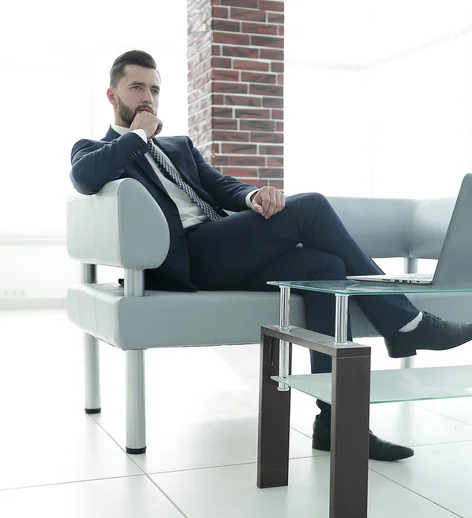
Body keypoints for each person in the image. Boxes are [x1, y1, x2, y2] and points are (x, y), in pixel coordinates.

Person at [70, 50, 472, 462]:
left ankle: (338, 424)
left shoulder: (178, 146)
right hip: (186, 261)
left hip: (221, 247)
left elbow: (220, 185)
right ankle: (406, 322)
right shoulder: (94, 149)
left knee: (325, 268)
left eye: (154, 89)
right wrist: (137, 134)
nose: (148, 98)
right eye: (136, 87)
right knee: (311, 206)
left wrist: (252, 195)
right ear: (112, 94)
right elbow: (85, 179)